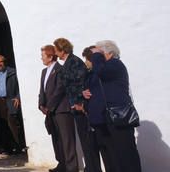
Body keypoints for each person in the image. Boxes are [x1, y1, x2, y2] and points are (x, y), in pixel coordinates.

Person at [84, 40, 142, 172]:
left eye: (99, 54)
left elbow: (99, 70)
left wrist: (96, 55)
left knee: (126, 155)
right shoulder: (108, 67)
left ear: (109, 53)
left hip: (120, 116)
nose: (95, 58)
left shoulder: (115, 64)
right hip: (112, 117)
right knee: (117, 156)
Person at [54, 37, 96, 172]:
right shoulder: (68, 63)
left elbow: (81, 83)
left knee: (87, 140)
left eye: (56, 50)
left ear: (62, 50)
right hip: (75, 106)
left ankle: (92, 168)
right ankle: (90, 167)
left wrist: (78, 101)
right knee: (84, 140)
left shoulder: (74, 61)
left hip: (80, 106)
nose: (55, 53)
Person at [39, 44, 78, 172]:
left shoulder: (60, 69)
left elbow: (60, 90)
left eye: (43, 56)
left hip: (62, 110)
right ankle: (62, 164)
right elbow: (42, 90)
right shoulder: (44, 71)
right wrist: (41, 104)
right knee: (56, 139)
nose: (41, 58)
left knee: (67, 140)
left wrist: (49, 106)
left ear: (50, 57)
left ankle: (72, 167)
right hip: (50, 111)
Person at [0, 54, 22, 154]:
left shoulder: (12, 72)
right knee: (2, 125)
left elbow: (20, 85)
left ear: (4, 62)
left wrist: (18, 97)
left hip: (10, 99)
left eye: (0, 62)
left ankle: (18, 146)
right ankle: (7, 148)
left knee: (12, 123)